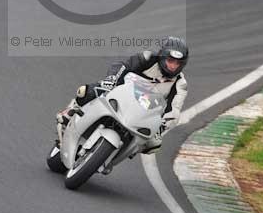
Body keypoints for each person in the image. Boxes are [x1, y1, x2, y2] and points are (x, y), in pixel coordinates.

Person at [56, 36, 189, 154]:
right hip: (122, 92)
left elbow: (174, 112)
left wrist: (161, 128)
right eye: (170, 61)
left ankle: (119, 154)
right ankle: (71, 111)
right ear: (162, 57)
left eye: (178, 63)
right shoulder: (147, 58)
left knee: (154, 145)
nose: (173, 66)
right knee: (85, 91)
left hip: (142, 113)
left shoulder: (180, 84)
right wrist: (113, 80)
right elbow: (123, 66)